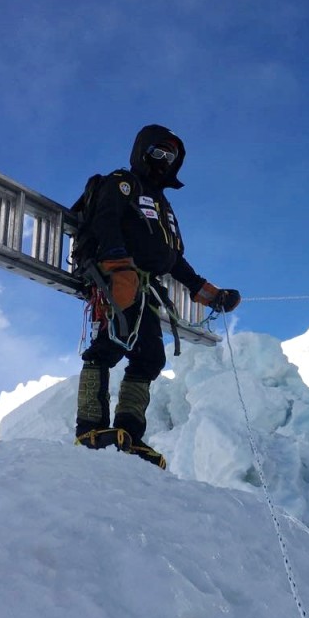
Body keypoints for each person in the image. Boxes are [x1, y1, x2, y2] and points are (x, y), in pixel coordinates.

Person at [75, 124, 240, 469]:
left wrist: (206, 292)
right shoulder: (123, 184)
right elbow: (106, 220)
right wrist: (119, 267)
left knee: (150, 356)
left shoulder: (162, 205)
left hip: (145, 286)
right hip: (118, 278)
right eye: (158, 153)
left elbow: (172, 259)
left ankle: (128, 435)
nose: (164, 161)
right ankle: (89, 429)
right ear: (142, 151)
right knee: (113, 342)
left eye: (172, 156)